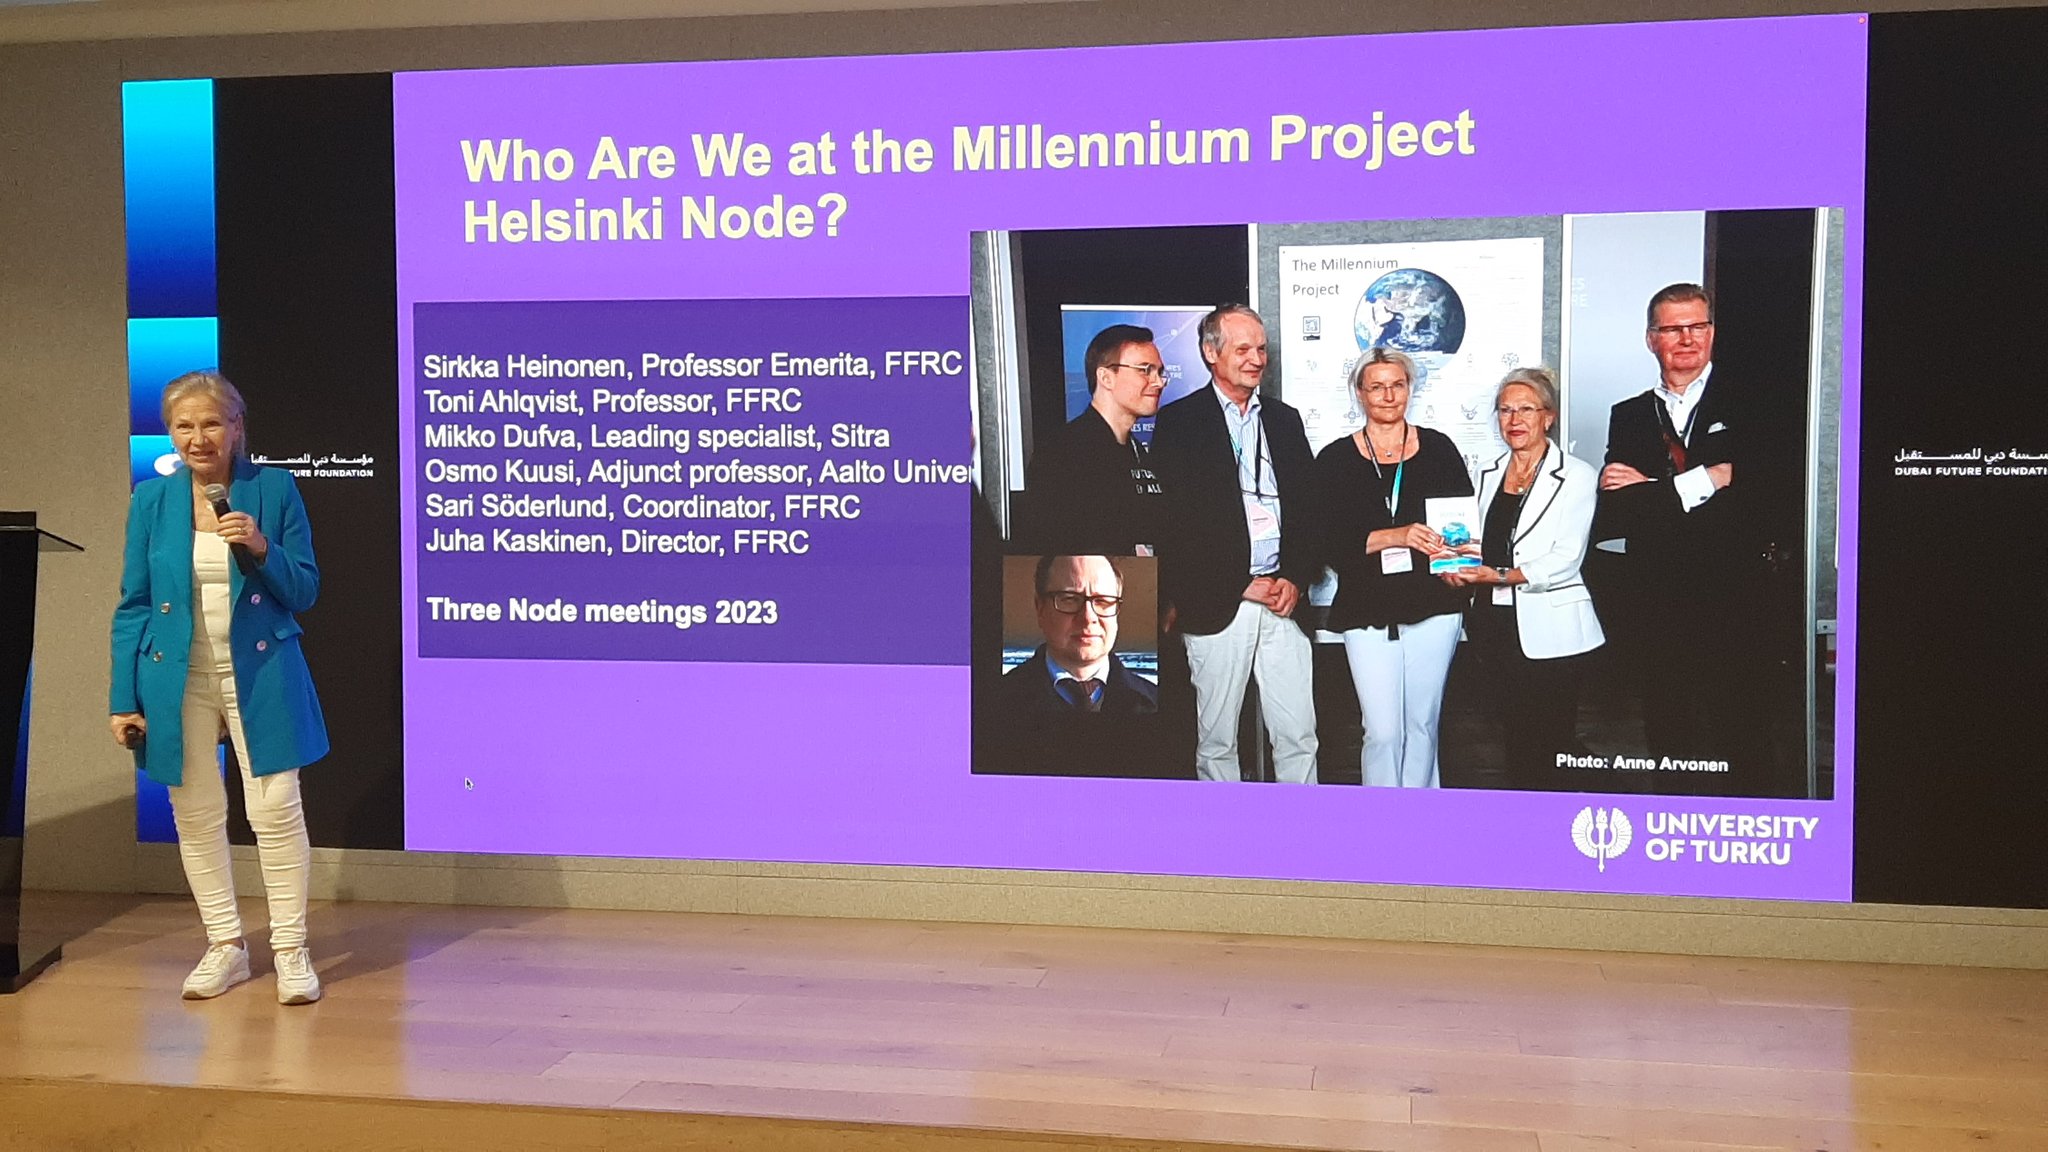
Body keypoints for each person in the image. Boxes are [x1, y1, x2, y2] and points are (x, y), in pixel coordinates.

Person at [108, 370, 329, 1005]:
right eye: (184, 426)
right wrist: (123, 699)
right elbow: (134, 605)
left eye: (211, 423)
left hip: (261, 671)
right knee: (196, 812)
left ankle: (291, 950)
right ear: (170, 434)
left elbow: (305, 589)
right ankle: (225, 944)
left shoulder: (274, 489)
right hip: (176, 679)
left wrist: (259, 546)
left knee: (276, 808)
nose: (197, 438)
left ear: (237, 428)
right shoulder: (152, 501)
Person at [1595, 283, 1768, 783]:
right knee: (1670, 734)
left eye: (1697, 326)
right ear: (1651, 339)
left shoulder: (1755, 402)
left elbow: (1759, 498)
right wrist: (1709, 479)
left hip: (1735, 598)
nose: (1687, 339)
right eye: (1673, 329)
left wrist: (1652, 490)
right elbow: (1620, 512)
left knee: (1744, 735)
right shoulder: (1628, 415)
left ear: (1712, 333)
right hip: (1658, 601)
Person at [1151, 304, 1319, 784]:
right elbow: (1175, 526)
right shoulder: (1180, 423)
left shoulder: (1284, 421)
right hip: (1219, 603)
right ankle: (1223, 829)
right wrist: (1240, 584)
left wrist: (1295, 578)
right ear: (1211, 353)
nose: (1257, 359)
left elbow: (1309, 510)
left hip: (1283, 601)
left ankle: (1302, 827)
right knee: (1218, 742)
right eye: (1243, 349)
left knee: (1299, 736)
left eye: (1261, 349)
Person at [1314, 348, 1472, 788]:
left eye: (1397, 385)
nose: (1388, 396)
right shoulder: (1334, 459)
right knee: (1382, 731)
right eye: (1377, 387)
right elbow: (1325, 542)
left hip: (1434, 604)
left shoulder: (1438, 448)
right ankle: (1381, 817)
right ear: (1359, 393)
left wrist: (1459, 564)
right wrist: (1396, 535)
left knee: (1423, 726)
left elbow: (1461, 524)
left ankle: (1421, 817)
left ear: (1410, 388)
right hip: (1366, 608)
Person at [1443, 368, 1604, 787]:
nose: (1514, 420)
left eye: (1526, 409)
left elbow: (1566, 558)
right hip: (1493, 625)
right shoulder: (1486, 472)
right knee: (1514, 734)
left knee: (1552, 738)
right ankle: (1524, 817)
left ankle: (1568, 816)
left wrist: (1499, 575)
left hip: (1552, 626)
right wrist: (1456, 569)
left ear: (1548, 417)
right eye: (1505, 410)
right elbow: (1473, 542)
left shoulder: (1577, 475)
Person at [981, 555, 1161, 776]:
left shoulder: (1158, 701)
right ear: (1040, 608)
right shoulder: (991, 706)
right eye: (1069, 599)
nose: (1088, 618)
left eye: (1103, 601)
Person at [1019, 324, 1167, 554]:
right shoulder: (1062, 454)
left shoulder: (1139, 452)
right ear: (1106, 377)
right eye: (1145, 370)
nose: (1158, 382)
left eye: (1159, 372)